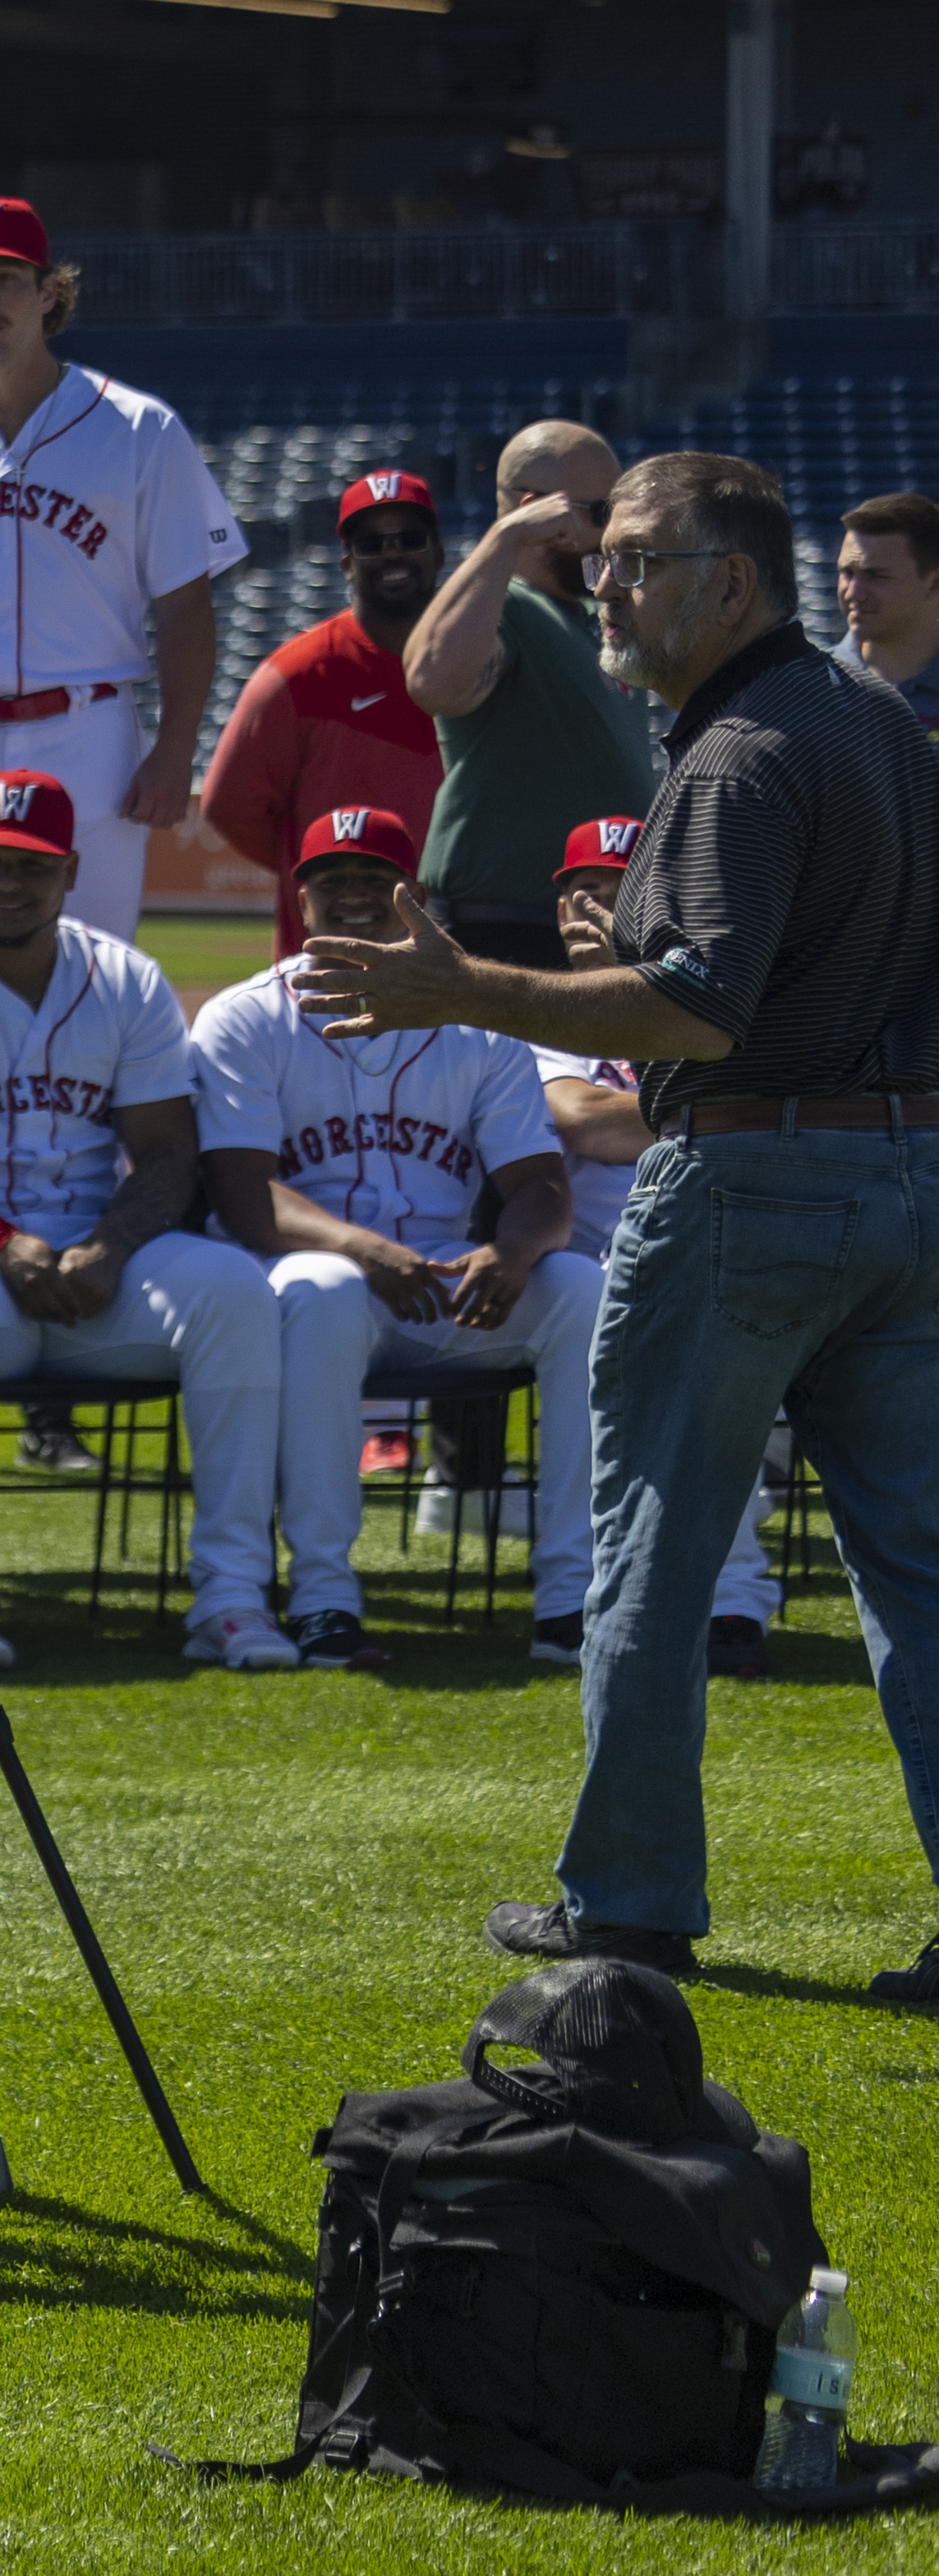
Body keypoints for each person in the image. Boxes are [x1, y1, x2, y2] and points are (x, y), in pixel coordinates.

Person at [297, 451, 939, 1995]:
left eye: (639, 557)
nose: (601, 581)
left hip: (747, 1185)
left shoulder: (730, 754)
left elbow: (694, 1016)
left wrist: (468, 987)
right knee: (919, 1577)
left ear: (730, 582)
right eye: (603, 556)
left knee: (646, 1556)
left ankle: (628, 1901)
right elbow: (781, 963)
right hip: (902, 1183)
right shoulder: (874, 720)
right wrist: (626, 944)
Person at [0, 766, 281, 1671]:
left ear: (69, 872)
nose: (5, 883)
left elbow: (165, 1150)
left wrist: (108, 1247)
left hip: (90, 1279)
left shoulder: (123, 980)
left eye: (28, 867)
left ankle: (231, 1597)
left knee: (231, 1288)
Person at [190, 804, 590, 1676]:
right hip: (302, 1286)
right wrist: (358, 1248)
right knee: (323, 1290)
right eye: (331, 881)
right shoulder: (244, 1018)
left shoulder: (478, 1024)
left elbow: (541, 1186)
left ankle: (570, 1594)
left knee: (582, 1293)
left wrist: (512, 1253)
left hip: (442, 1283)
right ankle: (324, 1594)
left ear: (415, 898)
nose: (354, 897)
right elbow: (239, 1192)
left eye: (375, 881)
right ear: (299, 899)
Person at [0, 196, 246, 946]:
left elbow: (186, 606)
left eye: (6, 276)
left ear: (49, 291)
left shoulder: (137, 427)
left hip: (87, 733)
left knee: (94, 967)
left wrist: (173, 750)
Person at [525, 813, 785, 1670]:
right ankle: (585, 1591)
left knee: (724, 1308)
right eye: (576, 888)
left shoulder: (705, 1001)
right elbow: (582, 1124)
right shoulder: (537, 1016)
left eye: (609, 886)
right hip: (580, 1266)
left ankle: (734, 1599)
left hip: (710, 1246)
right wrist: (710, 1109)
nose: (588, 905)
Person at [400, 420, 660, 969]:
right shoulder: (508, 607)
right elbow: (432, 680)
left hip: (590, 921)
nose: (613, 529)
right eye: (598, 511)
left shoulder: (590, 615)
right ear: (533, 508)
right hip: (505, 926)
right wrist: (506, 537)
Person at [202, 468, 452, 957]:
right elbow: (229, 807)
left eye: (410, 538)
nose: (392, 553)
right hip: (329, 954)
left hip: (457, 949)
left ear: (439, 551)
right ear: (346, 563)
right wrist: (335, 874)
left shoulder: (485, 659)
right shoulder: (297, 675)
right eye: (371, 544)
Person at [833, 488, 939, 734]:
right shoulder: (804, 689)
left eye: (876, 576)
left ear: (934, 583)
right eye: (847, 573)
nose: (853, 593)